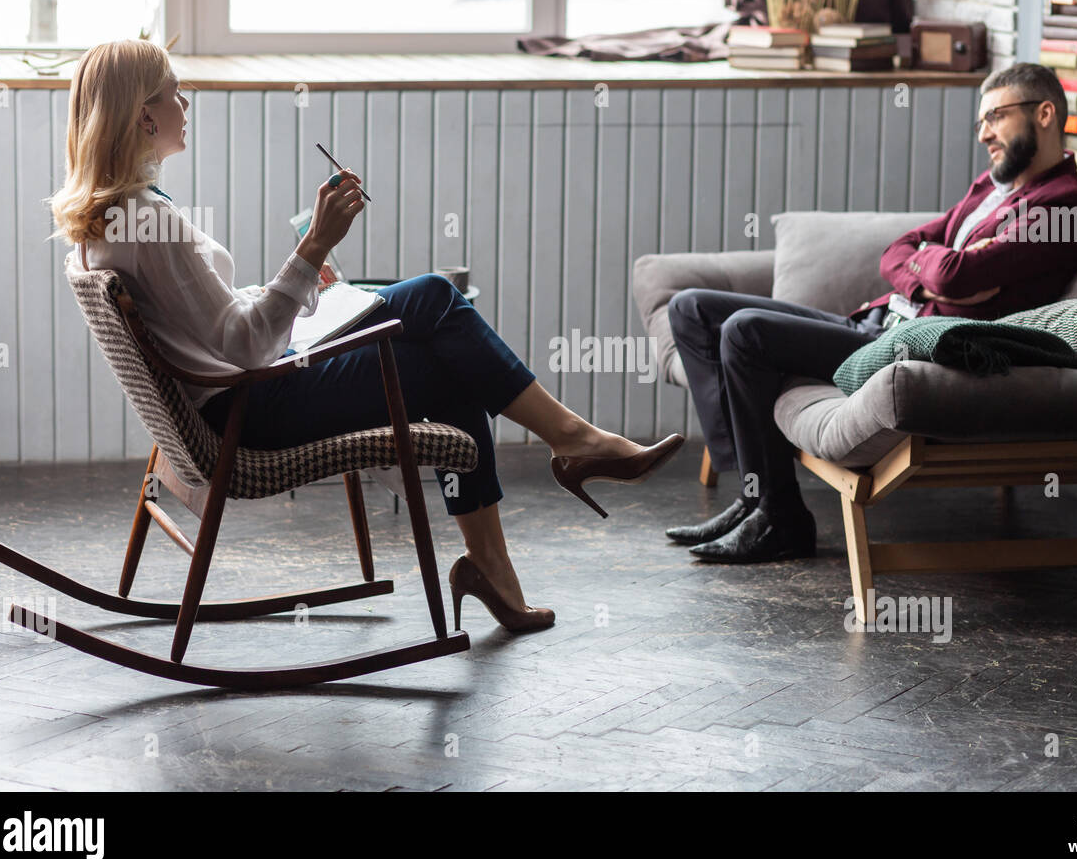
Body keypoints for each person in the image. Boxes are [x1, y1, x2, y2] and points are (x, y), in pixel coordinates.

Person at [48, 40, 683, 633]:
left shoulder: (111, 217)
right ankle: (571, 450)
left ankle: (514, 542)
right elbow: (243, 346)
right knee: (436, 302)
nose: (184, 104)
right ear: (142, 117)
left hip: (237, 398)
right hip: (252, 411)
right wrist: (313, 245)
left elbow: (206, 325)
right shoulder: (147, 218)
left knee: (437, 332)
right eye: (172, 92)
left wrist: (300, 281)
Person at [664, 62, 1077, 563]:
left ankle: (780, 516)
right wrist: (934, 265)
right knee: (691, 308)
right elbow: (901, 249)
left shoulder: (1065, 207)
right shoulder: (991, 189)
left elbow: (957, 279)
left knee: (744, 333)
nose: (983, 134)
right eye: (981, 122)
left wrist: (943, 268)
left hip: (907, 348)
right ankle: (754, 496)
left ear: (1045, 114)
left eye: (995, 117)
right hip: (876, 322)